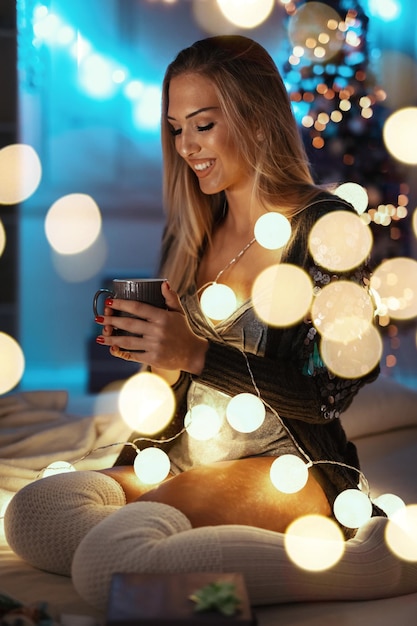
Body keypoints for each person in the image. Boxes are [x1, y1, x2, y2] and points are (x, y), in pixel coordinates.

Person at [8, 35, 415, 613]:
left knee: (108, 560)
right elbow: (173, 383)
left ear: (254, 117)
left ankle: (365, 557)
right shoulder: (192, 228)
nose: (186, 146)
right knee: (35, 512)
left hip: (285, 466)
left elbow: (327, 395)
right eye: (176, 128)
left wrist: (198, 353)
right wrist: (156, 360)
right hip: (185, 455)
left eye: (202, 124)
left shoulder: (328, 229)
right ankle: (189, 535)